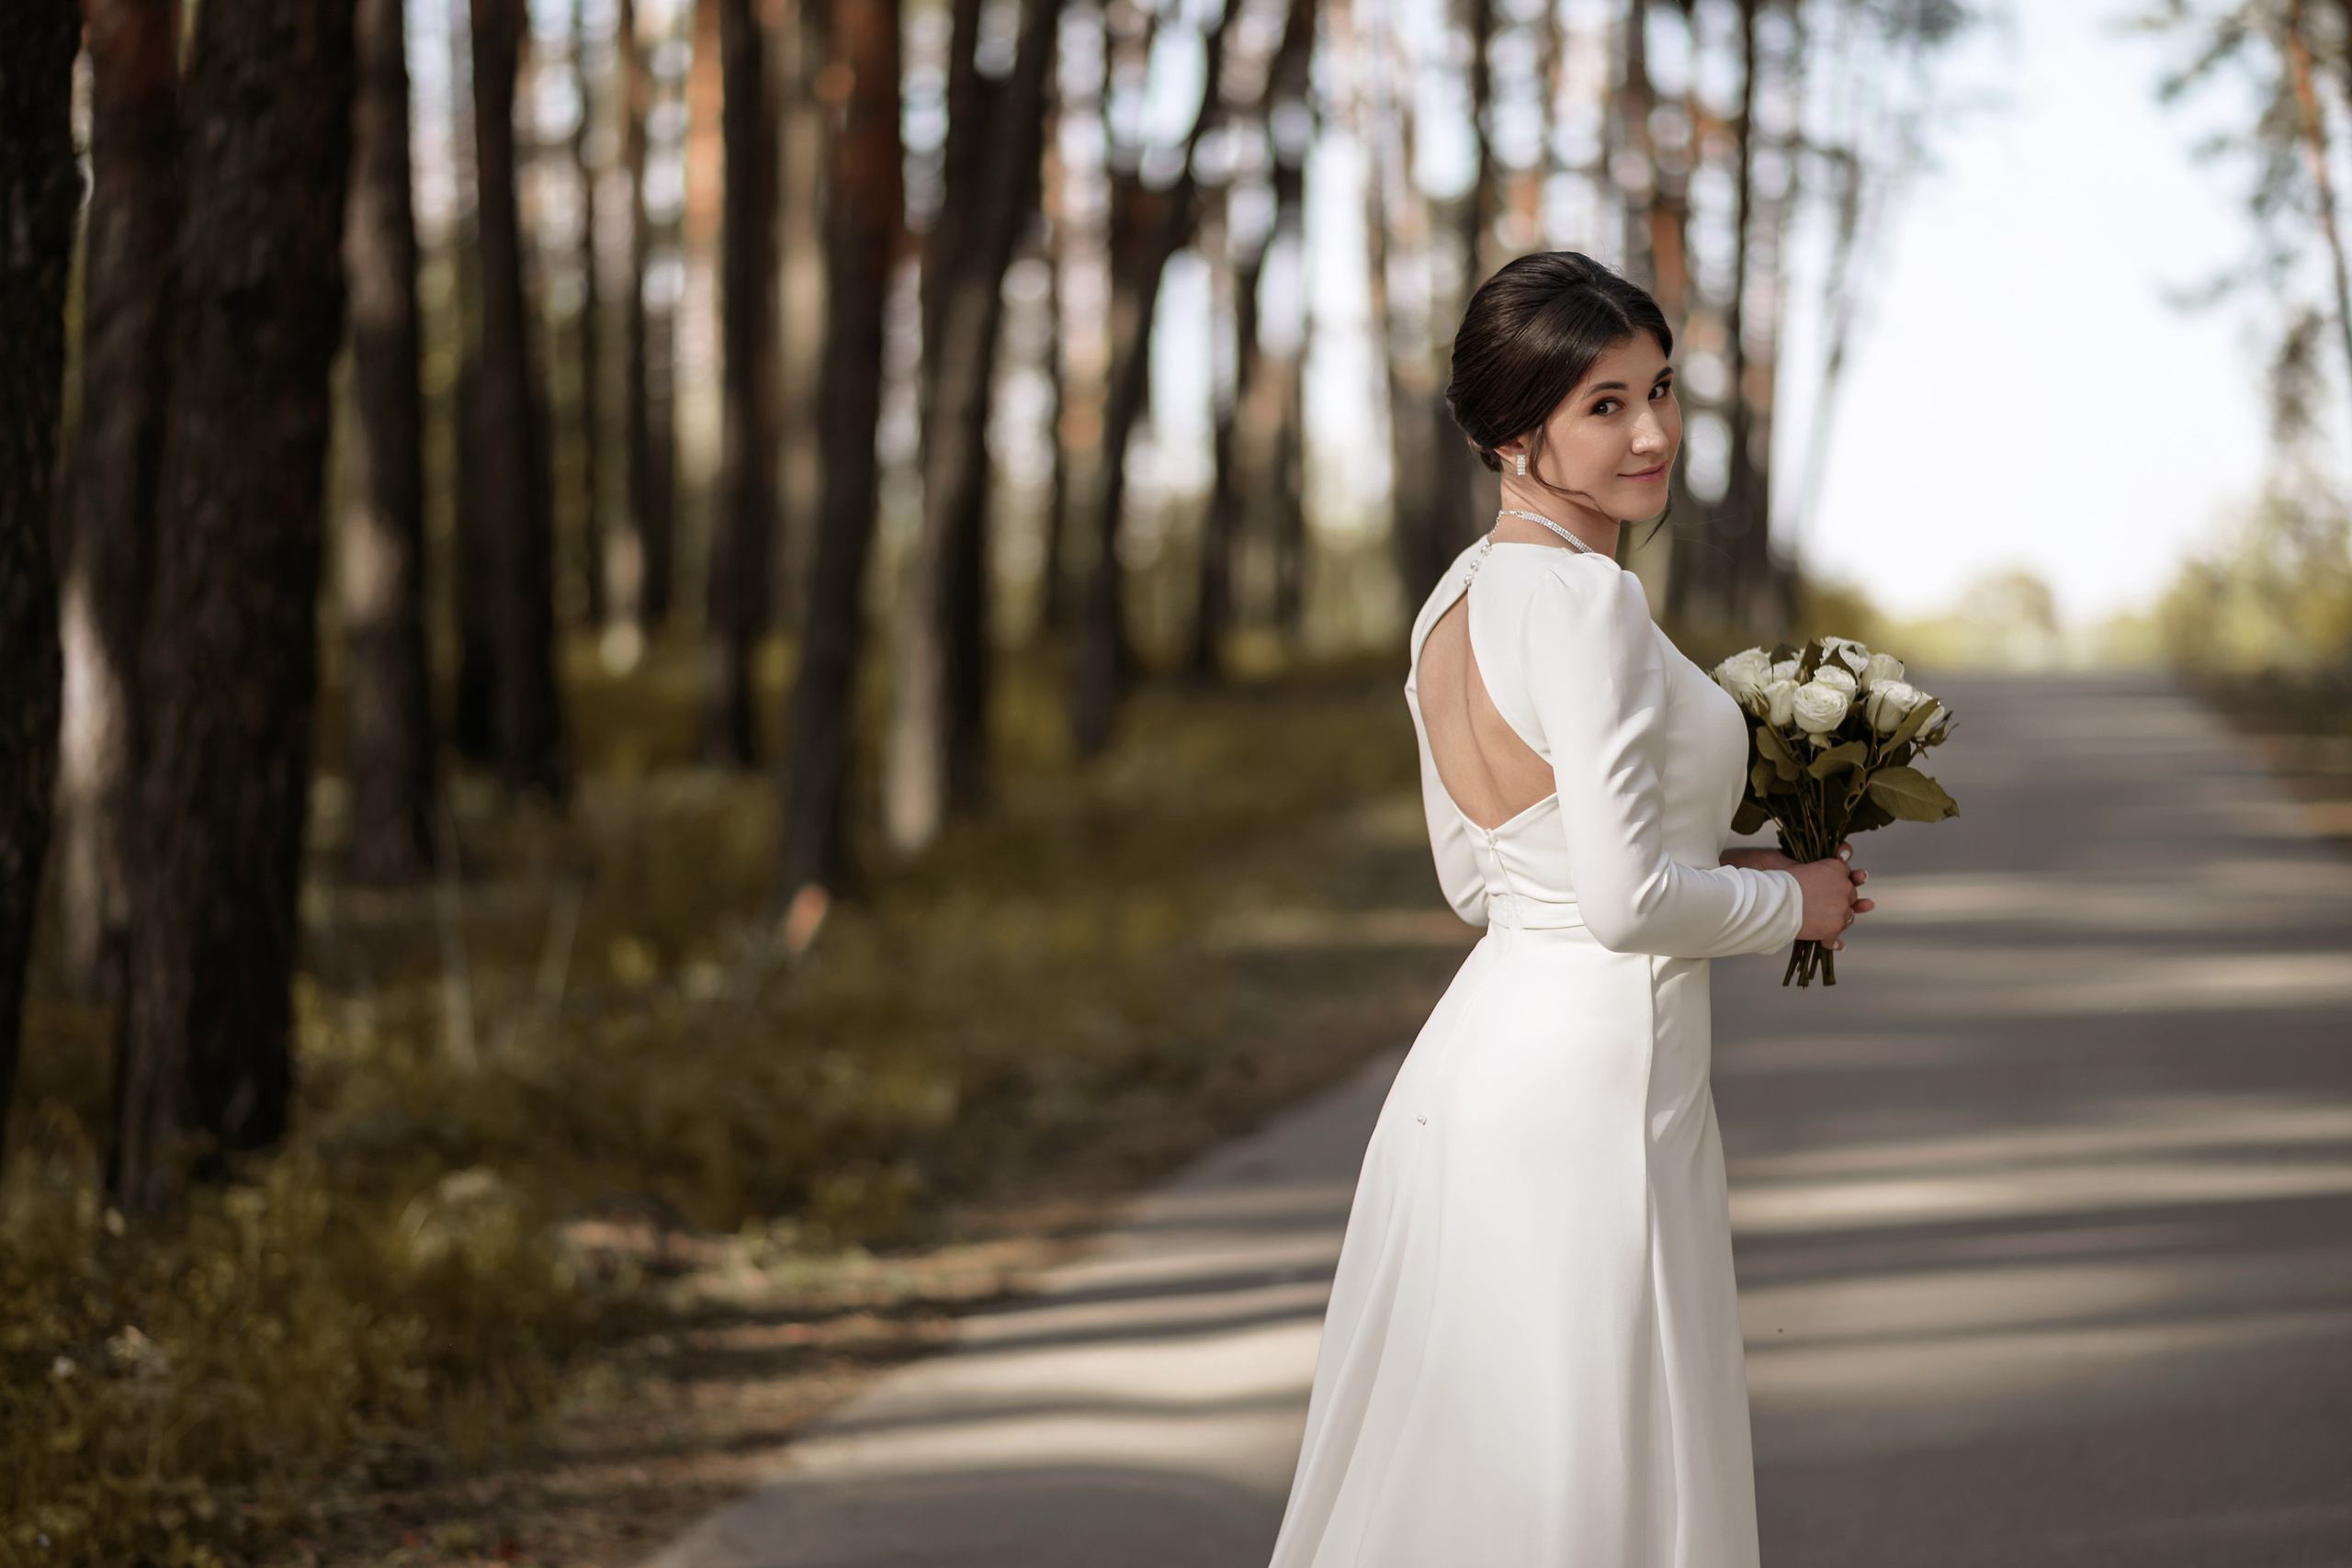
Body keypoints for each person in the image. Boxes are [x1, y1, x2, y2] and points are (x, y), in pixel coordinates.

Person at [1264, 252, 1871, 1567]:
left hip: (1476, 1062)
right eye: (1605, 405)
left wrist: (1728, 864)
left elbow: (1479, 879)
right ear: (1511, 432)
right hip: (1599, 1081)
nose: (1653, 433)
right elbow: (1624, 900)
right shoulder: (1589, 600)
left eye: (1660, 390)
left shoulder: (1452, 602)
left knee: (1476, 1458)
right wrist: (1796, 905)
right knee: (1589, 1467)